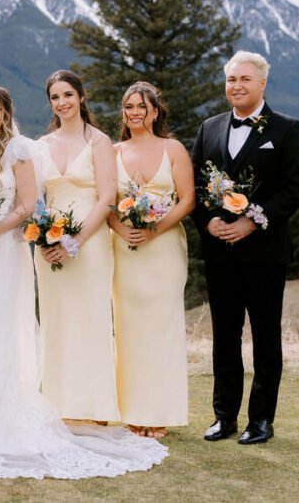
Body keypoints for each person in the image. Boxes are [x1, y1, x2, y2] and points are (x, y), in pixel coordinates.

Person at [0, 86, 167, 478]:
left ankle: (4, 406)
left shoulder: (22, 150)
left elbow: (27, 205)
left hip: (4, 251)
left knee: (0, 323)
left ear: (7, 113)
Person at [191, 51, 299, 445]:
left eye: (244, 79)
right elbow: (194, 185)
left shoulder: (286, 129)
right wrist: (209, 221)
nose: (236, 86)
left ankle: (260, 420)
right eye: (230, 80)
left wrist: (251, 222)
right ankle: (223, 417)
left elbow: (295, 189)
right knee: (224, 337)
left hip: (264, 255)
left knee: (264, 338)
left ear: (261, 84)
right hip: (219, 253)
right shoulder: (209, 128)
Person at [107, 82, 194, 438]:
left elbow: (187, 200)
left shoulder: (172, 149)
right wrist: (121, 228)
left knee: (162, 329)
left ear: (155, 111)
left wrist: (155, 229)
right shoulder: (112, 151)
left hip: (163, 250)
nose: (135, 112)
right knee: (128, 331)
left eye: (142, 106)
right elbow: (107, 203)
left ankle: (159, 411)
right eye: (129, 106)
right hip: (125, 250)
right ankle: (131, 411)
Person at [34, 70, 119, 422]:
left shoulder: (98, 141)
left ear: (81, 97)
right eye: (55, 97)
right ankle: (58, 402)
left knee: (92, 318)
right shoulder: (41, 145)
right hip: (51, 247)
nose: (62, 102)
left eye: (68, 94)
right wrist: (41, 238)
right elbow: (35, 200)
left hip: (91, 243)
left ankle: (96, 403)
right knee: (56, 320)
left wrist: (76, 239)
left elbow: (108, 198)